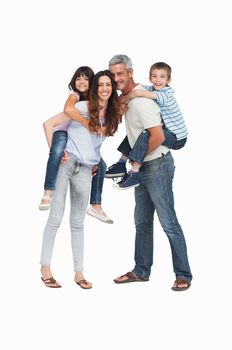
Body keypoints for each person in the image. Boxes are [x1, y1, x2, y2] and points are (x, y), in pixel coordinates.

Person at [108, 55, 192, 291]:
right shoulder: (131, 98)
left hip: (157, 166)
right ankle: (141, 271)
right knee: (142, 221)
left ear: (130, 72)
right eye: (112, 75)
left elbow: (158, 137)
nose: (116, 79)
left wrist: (136, 162)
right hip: (144, 165)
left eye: (120, 74)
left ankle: (184, 274)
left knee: (168, 222)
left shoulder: (144, 101)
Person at [40, 70, 120, 288]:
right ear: (95, 88)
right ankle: (45, 268)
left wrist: (95, 161)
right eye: (101, 85)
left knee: (77, 223)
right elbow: (49, 123)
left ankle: (79, 273)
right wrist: (56, 153)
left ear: (113, 90)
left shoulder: (112, 116)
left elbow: (96, 144)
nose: (104, 89)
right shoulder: (83, 108)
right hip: (66, 165)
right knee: (55, 218)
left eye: (109, 86)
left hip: (86, 170)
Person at [39, 66, 113, 224]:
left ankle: (96, 205)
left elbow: (95, 139)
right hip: (62, 132)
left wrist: (91, 159)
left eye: (86, 79)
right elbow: (62, 113)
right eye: (78, 78)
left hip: (78, 142)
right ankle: (48, 191)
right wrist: (56, 151)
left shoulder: (97, 105)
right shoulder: (76, 99)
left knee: (101, 165)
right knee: (57, 152)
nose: (81, 82)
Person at [105, 61, 188, 190]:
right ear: (150, 78)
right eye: (154, 76)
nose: (158, 80)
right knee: (137, 135)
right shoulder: (152, 88)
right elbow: (139, 88)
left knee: (145, 134)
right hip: (167, 130)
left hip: (177, 137)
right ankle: (121, 163)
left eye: (162, 76)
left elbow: (140, 93)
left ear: (169, 79)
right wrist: (122, 99)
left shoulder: (166, 93)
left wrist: (136, 156)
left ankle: (134, 171)